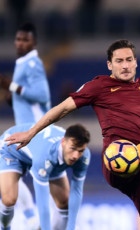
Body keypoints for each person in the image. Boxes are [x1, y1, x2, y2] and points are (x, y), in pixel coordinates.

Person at [5, 24, 140, 230]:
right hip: (116, 157)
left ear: (136, 62)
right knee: (130, 154)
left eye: (129, 60)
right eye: (119, 61)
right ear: (109, 65)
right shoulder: (99, 86)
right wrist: (32, 132)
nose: (125, 65)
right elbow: (63, 108)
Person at [0, 22, 51, 229]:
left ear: (34, 43)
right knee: (11, 172)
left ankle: (32, 217)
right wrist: (13, 98)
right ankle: (32, 218)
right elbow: (30, 98)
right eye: (18, 39)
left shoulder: (32, 63)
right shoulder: (23, 63)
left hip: (33, 131)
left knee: (8, 168)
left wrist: (10, 85)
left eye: (25, 40)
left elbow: (42, 95)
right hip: (26, 131)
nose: (20, 43)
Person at [0, 123, 91, 230]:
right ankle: (4, 228)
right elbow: (42, 201)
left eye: (80, 151)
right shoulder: (45, 155)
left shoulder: (84, 156)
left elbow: (76, 192)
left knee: (64, 202)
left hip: (43, 157)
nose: (75, 156)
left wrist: (71, 227)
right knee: (9, 200)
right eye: (73, 148)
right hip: (11, 150)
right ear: (63, 142)